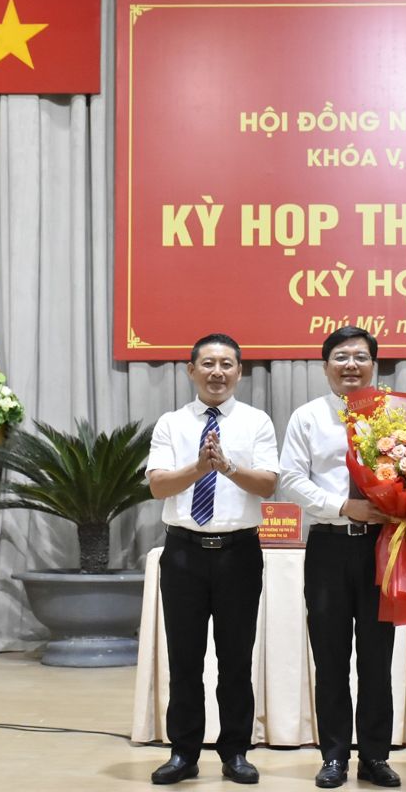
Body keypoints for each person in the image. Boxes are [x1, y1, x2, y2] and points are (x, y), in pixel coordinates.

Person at [145, 333, 279, 786]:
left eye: (226, 364)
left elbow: (267, 486)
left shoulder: (257, 422)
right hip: (183, 553)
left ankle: (235, 752)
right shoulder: (171, 423)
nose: (217, 372)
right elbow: (159, 486)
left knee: (236, 660)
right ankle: (183, 753)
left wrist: (227, 467)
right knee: (184, 660)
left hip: (239, 554)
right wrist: (199, 468)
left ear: (239, 372)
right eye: (208, 364)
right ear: (190, 370)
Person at [278, 326, 402, 789]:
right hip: (329, 545)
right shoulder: (307, 417)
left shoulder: (396, 416)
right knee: (330, 657)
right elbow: (291, 479)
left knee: (377, 657)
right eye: (341, 357)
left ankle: (374, 756)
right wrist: (343, 506)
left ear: (375, 364)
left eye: (361, 357)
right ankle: (333, 755)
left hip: (382, 546)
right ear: (325, 364)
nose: (351, 365)